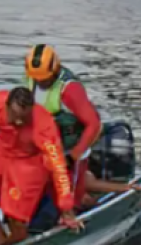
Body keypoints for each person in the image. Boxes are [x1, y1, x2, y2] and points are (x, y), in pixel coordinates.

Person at [0, 87, 82, 245]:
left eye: (24, 118)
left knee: (16, 219)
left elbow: (58, 166)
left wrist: (66, 208)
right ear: (6, 106)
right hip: (3, 146)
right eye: (15, 116)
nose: (19, 122)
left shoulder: (43, 126)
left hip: (29, 159)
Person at [22, 45, 102, 209]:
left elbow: (93, 124)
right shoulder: (31, 80)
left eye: (44, 79)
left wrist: (74, 156)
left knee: (71, 199)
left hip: (70, 148)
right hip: (45, 147)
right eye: (37, 79)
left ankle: (82, 204)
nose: (41, 82)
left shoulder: (70, 89)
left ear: (55, 69)